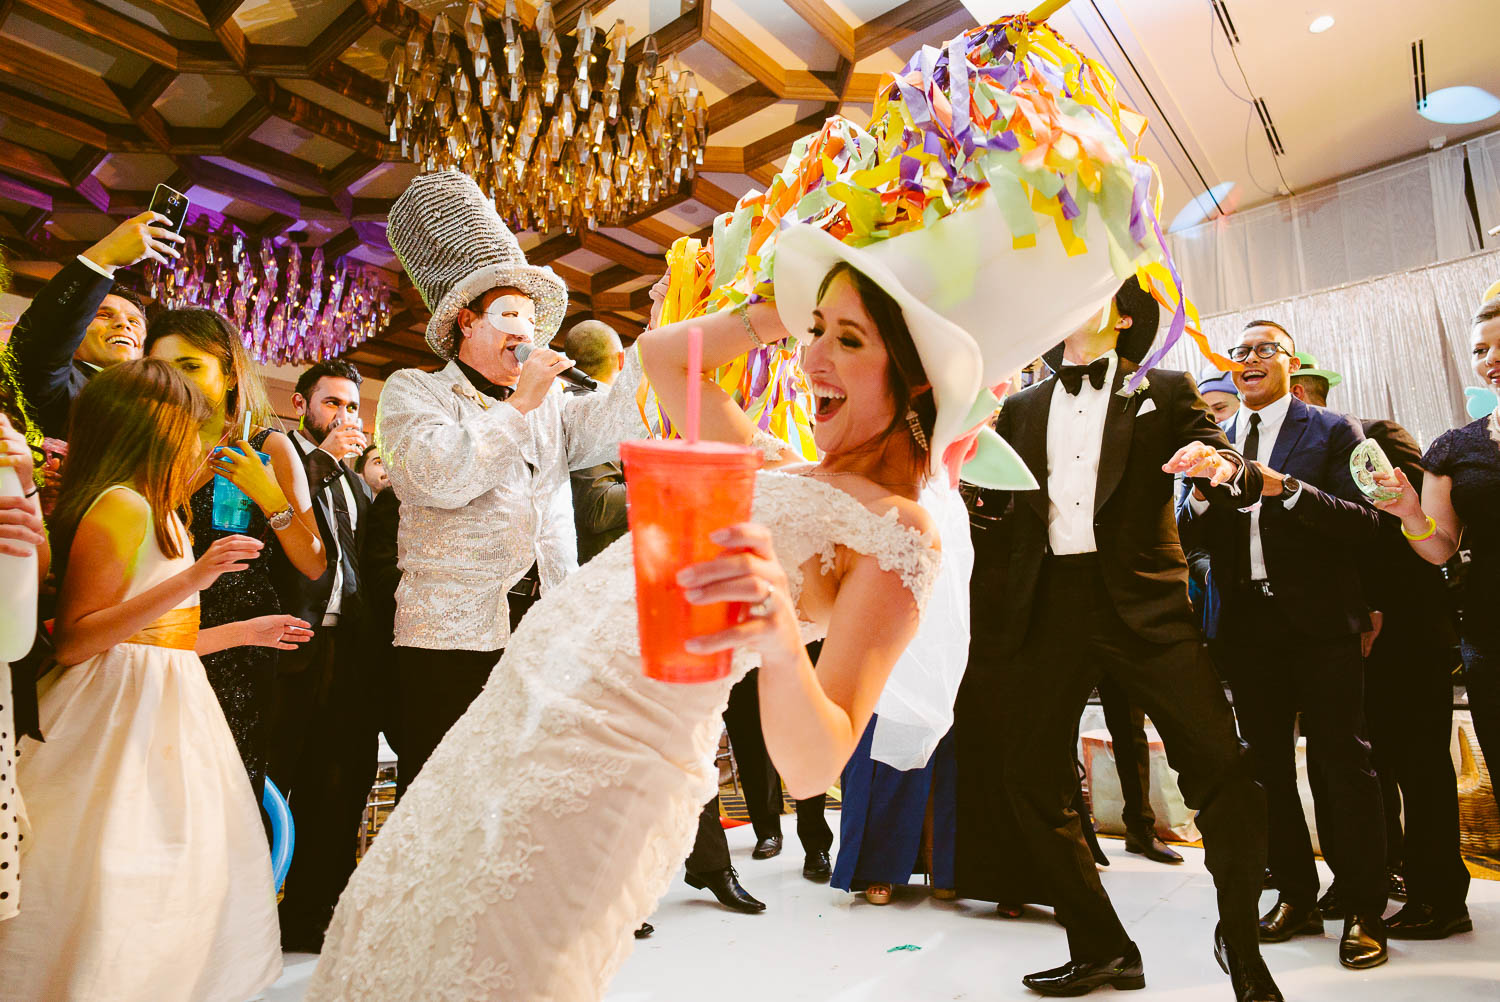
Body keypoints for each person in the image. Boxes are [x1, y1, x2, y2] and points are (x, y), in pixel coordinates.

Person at [304, 209, 972, 1002]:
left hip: (612, 748)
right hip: (522, 700)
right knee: (411, 918)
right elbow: (663, 358)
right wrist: (782, 309)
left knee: (494, 958)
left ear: (917, 378)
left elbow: (815, 761)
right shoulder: (775, 463)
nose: (809, 358)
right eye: (813, 332)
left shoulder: (899, 532)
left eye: (848, 340)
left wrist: (779, 629)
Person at [989, 277, 1280, 1000]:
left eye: (1087, 289)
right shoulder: (1017, 409)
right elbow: (993, 511)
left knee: (1224, 772)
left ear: (1121, 317)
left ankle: (1242, 947)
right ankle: (1101, 946)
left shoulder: (1169, 390)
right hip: (1047, 607)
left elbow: (1226, 459)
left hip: (1146, 608)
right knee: (1026, 778)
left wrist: (1223, 467)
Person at [0, 359, 281, 1001]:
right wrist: (194, 579)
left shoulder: (163, 510)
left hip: (169, 711)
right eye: (189, 426)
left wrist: (243, 631)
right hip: (111, 717)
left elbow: (160, 645)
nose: (198, 444)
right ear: (151, 429)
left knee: (171, 880)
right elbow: (76, 640)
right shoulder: (122, 507)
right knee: (112, 874)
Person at [374, 173, 647, 798]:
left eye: (530, 317)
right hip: (450, 635)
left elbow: (613, 429)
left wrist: (654, 338)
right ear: (466, 322)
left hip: (542, 621)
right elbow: (435, 477)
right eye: (508, 315)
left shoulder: (550, 404)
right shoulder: (415, 391)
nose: (524, 331)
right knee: (449, 796)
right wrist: (519, 405)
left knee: (529, 792)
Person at [1180, 320, 1389, 971]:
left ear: (1290, 364)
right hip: (1247, 628)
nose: (1247, 359)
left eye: (1262, 349)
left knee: (1342, 764)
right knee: (1264, 770)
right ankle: (1295, 893)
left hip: (1322, 623)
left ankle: (1361, 908)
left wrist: (1288, 489)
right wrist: (1199, 501)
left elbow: (1370, 523)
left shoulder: (1335, 432)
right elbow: (1188, 531)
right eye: (1238, 351)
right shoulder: (1217, 441)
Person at [1291, 353, 1471, 937]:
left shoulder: (1377, 436)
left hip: (1409, 632)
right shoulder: (1287, 467)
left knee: (1420, 766)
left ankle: (1440, 896)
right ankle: (1372, 873)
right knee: (1360, 767)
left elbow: (1418, 527)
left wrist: (1381, 608)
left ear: (1309, 398)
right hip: (1342, 636)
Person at [145, 308, 321, 801]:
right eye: (161, 368)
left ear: (228, 374)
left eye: (190, 365)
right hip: (161, 631)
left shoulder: (268, 446)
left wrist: (271, 498)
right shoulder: (150, 449)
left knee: (221, 791)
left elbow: (314, 561)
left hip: (241, 644)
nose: (173, 381)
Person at [1374, 294, 1500, 929]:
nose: (1491, 360)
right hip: (1489, 633)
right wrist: (1408, 515)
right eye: (1481, 350)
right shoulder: (1455, 447)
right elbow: (1439, 548)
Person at [269, 356, 378, 952]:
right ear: (301, 406)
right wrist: (328, 457)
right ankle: (262, 907)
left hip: (349, 647)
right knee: (278, 775)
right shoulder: (281, 455)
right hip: (289, 640)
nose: (345, 415)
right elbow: (286, 527)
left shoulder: (356, 479)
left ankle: (320, 910)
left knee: (343, 780)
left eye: (352, 406)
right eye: (332, 403)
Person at [8, 211, 184, 440]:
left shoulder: (166, 404)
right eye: (103, 315)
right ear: (76, 329)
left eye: (134, 321)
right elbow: (43, 338)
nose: (123, 324)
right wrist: (104, 257)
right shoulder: (55, 385)